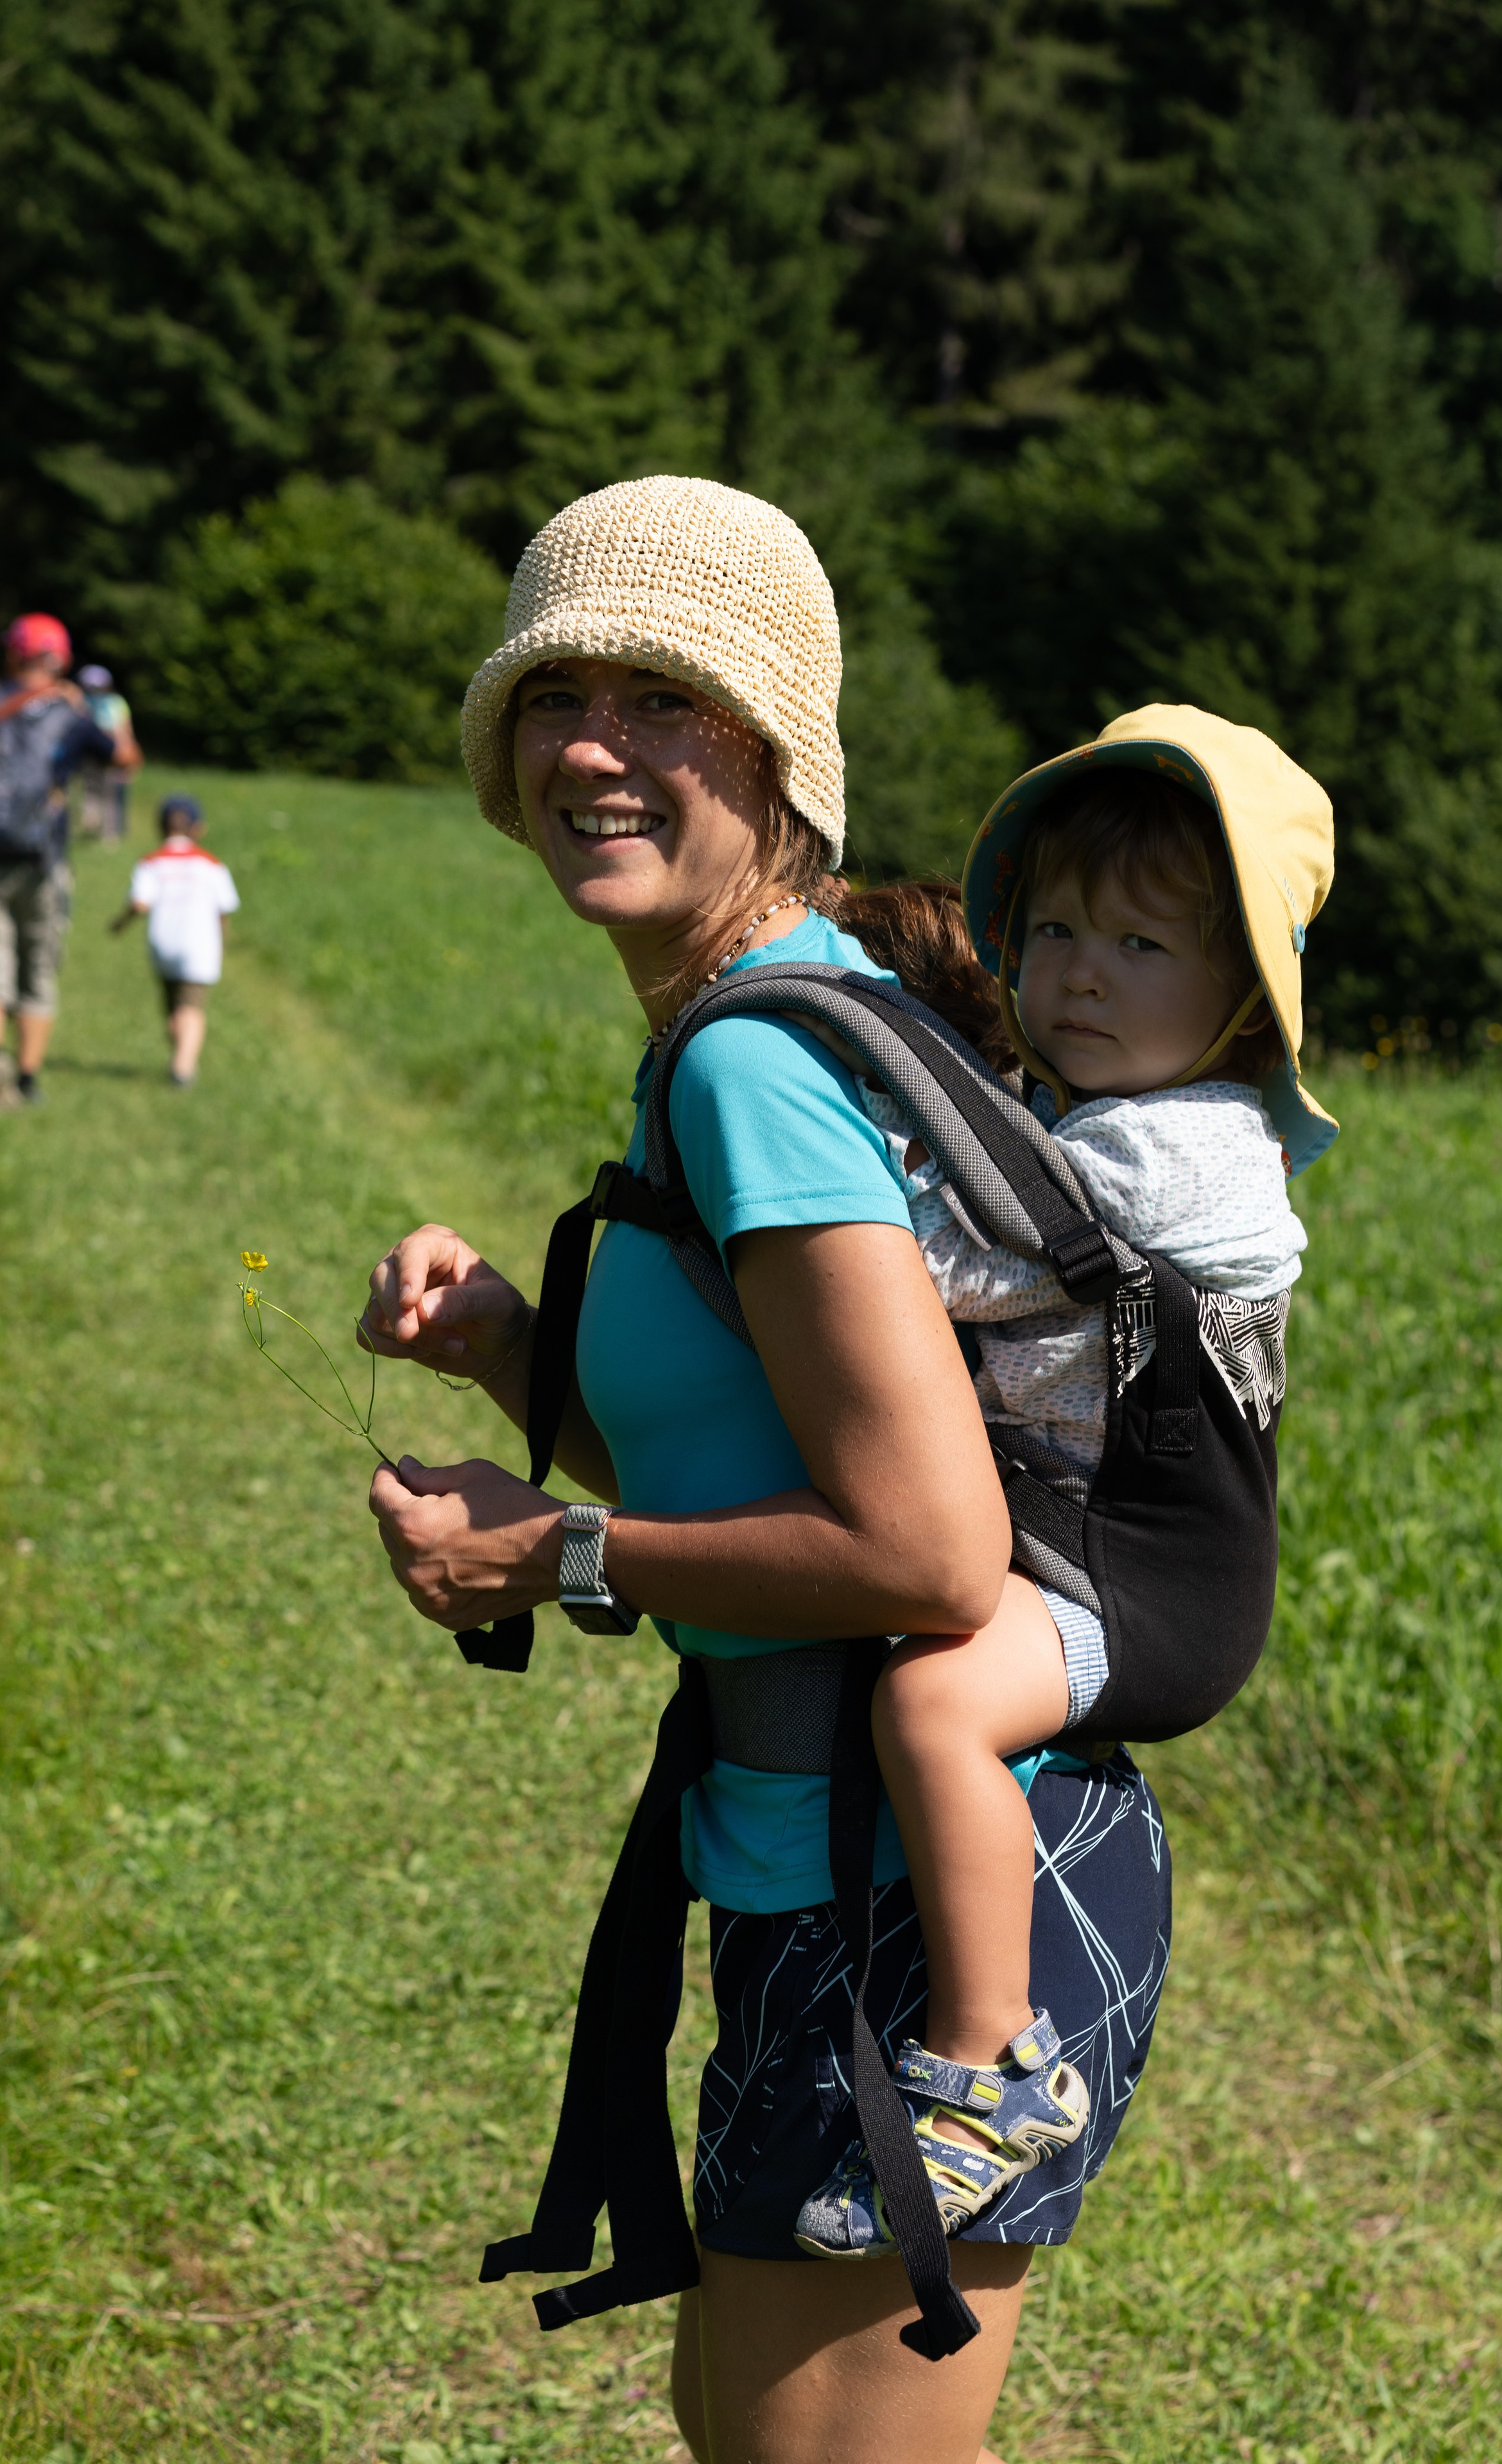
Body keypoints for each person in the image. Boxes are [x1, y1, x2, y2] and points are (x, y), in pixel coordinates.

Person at [354, 475, 1172, 2464]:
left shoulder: (749, 1059)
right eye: (557, 693)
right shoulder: (734, 1027)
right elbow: (764, 1445)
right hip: (828, 1855)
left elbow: (920, 1540)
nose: (592, 748)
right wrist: (514, 1353)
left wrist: (556, 1559)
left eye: (666, 698)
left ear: (777, 745)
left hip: (924, 1890)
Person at [790, 726, 1333, 2259]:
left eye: (1141, 943)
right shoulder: (1094, 1115)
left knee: (933, 1703)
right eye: (1052, 932)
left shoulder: (1188, 1153)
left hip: (1147, 1583)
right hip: (1074, 1538)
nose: (1080, 971)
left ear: (1238, 1000)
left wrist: (822, 1156)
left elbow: (943, 1260)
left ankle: (990, 2063)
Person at [0, 611, 114, 1110]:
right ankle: (29, 1077)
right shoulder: (70, 712)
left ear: (9, 654)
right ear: (60, 658)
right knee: (37, 968)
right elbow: (123, 758)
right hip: (44, 858)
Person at [108, 794, 239, 1084]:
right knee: (192, 1007)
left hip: (162, 942)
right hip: (200, 943)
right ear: (198, 828)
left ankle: (181, 1058)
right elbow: (225, 908)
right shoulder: (211, 864)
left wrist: (120, 924)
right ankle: (184, 1068)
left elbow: (140, 903)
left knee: (172, 1008)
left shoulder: (152, 863)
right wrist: (222, 941)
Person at [73, 663, 142, 839]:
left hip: (114, 755)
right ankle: (92, 826)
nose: (95, 691)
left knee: (111, 795)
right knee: (91, 789)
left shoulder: (116, 703)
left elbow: (125, 731)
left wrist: (131, 759)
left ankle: (110, 834)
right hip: (90, 756)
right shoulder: (81, 702)